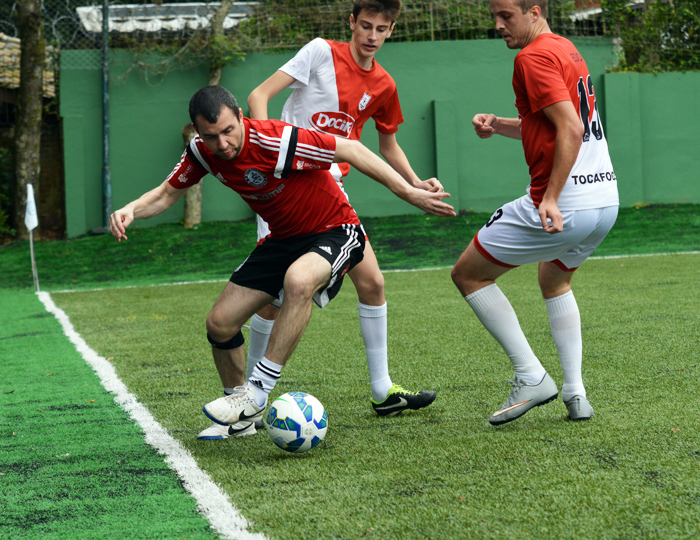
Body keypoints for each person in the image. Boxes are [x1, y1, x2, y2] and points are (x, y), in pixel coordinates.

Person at [109, 86, 455, 439]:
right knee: (220, 324)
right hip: (283, 238)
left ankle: (256, 393)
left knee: (299, 281)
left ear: (241, 116)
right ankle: (241, 418)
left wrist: (408, 191)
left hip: (334, 230)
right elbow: (167, 193)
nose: (223, 144)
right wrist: (131, 210)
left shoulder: (276, 140)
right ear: (199, 133)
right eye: (211, 136)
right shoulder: (202, 152)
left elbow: (349, 148)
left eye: (229, 131)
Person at [240, 0, 441, 439]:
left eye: (381, 29)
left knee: (372, 282)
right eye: (365, 25)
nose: (371, 35)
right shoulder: (318, 52)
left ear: (390, 32)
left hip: (332, 194)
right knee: (271, 300)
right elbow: (259, 96)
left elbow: (388, 146)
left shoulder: (385, 85)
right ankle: (247, 402)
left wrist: (415, 182)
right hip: (287, 190)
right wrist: (271, 156)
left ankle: (383, 390)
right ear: (351, 23)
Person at [450, 0, 619, 425]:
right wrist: (500, 124)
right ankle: (576, 393)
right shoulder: (565, 48)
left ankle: (531, 376)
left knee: (468, 274)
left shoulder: (531, 56)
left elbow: (571, 128)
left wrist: (549, 197)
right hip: (605, 200)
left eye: (506, 15)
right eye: (495, 16)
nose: (498, 25)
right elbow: (552, 120)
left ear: (535, 11)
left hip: (566, 202)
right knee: (554, 277)